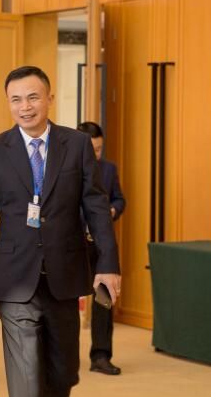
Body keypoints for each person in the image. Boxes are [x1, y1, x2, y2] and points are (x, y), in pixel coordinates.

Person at [0, 66, 121, 397]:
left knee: (62, 374)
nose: (25, 107)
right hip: (15, 276)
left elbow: (96, 207)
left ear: (49, 98)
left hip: (64, 275)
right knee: (26, 375)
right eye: (16, 100)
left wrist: (108, 264)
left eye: (32, 97)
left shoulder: (76, 145)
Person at [76, 121, 126, 376]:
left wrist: (113, 209)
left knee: (104, 300)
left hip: (101, 246)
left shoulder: (108, 169)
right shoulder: (65, 169)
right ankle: (63, 356)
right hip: (73, 244)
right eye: (92, 150)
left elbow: (119, 198)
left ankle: (101, 356)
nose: (96, 155)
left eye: (99, 149)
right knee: (64, 303)